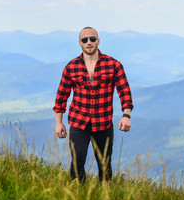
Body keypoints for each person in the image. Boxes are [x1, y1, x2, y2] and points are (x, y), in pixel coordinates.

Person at [53, 26, 134, 182]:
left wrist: (126, 115)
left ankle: (106, 196)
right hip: (78, 123)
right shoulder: (71, 67)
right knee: (77, 165)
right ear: (80, 43)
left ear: (98, 41)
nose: (89, 42)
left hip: (103, 124)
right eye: (85, 39)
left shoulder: (114, 65)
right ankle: (78, 195)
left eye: (92, 39)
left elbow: (124, 92)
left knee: (105, 166)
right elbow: (61, 96)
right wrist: (58, 123)